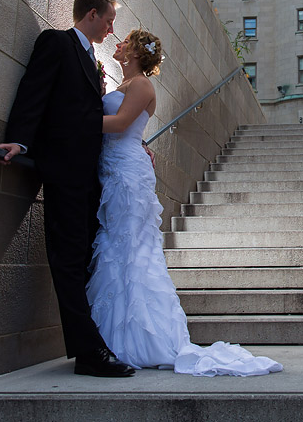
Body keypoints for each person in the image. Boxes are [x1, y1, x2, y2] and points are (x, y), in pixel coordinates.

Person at [87, 28, 283, 377]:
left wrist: (72, 118)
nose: (118, 43)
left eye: (125, 41)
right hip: (114, 167)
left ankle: (140, 338)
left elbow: (119, 124)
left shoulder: (141, 85)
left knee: (130, 248)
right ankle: (114, 336)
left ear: (135, 52)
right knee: (118, 247)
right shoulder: (124, 84)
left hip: (127, 174)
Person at [0, 0, 135, 378]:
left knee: (84, 256)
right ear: (91, 14)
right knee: (69, 259)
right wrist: (19, 139)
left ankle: (94, 342)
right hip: (63, 171)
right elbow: (34, 90)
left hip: (90, 175)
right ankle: (88, 353)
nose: (111, 30)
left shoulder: (93, 60)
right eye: (108, 21)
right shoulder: (56, 43)